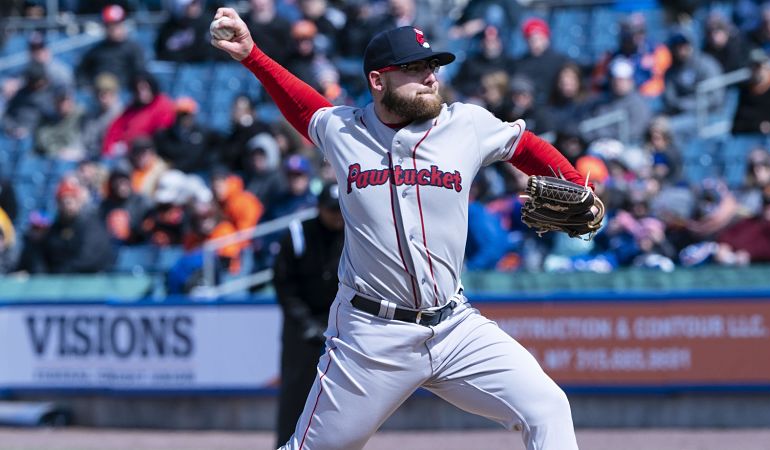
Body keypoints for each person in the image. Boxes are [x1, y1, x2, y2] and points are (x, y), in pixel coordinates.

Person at [212, 9, 597, 449]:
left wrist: (570, 179)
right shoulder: (343, 130)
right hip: (370, 337)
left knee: (547, 407)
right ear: (378, 81)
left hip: (454, 327)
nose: (430, 77)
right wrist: (252, 55)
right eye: (414, 69)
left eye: (431, 66)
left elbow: (523, 145)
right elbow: (302, 104)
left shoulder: (464, 124)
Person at [273, 183, 345, 446]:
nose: (336, 216)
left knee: (342, 395)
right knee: (295, 392)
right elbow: (283, 283)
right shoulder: (298, 235)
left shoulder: (355, 233)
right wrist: (305, 322)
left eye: (339, 211)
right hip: (301, 327)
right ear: (319, 209)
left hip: (339, 323)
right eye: (330, 211)